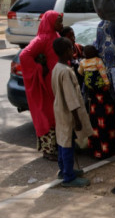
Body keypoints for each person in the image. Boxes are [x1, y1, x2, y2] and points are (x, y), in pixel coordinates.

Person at [20, 10, 63, 161]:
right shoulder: (43, 38)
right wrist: (39, 68)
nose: (61, 24)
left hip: (57, 83)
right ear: (51, 22)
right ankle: (48, 150)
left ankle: (58, 147)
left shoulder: (56, 37)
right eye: (58, 21)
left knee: (58, 115)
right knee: (48, 115)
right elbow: (24, 55)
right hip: (47, 85)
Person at [51, 37, 93, 187]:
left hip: (60, 109)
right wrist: (77, 119)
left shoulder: (57, 68)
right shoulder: (66, 72)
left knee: (63, 140)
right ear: (66, 51)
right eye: (71, 49)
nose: (73, 51)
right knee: (67, 143)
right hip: (68, 112)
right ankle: (68, 177)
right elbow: (71, 98)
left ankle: (64, 170)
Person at [78, 45, 115, 159]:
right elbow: (103, 72)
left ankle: (97, 150)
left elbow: (80, 73)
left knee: (95, 122)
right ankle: (112, 148)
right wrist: (107, 83)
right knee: (109, 121)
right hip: (103, 96)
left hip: (93, 98)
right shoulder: (98, 61)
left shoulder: (83, 63)